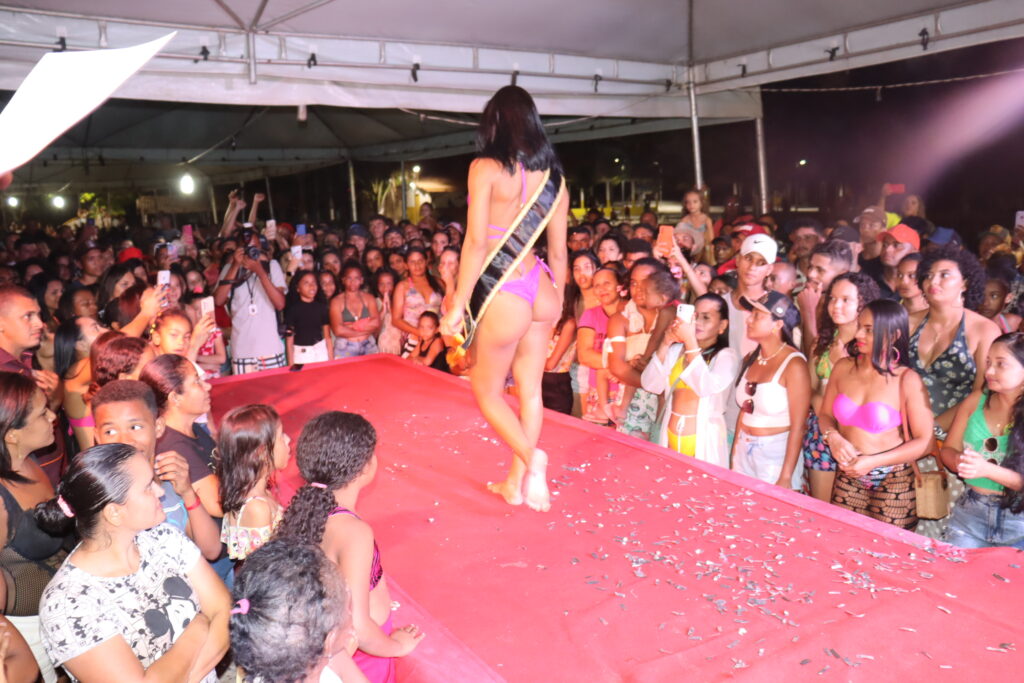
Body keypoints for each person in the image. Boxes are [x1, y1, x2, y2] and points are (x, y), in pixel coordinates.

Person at [440, 86, 568, 512]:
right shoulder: (555, 179)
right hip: (541, 287)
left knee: (489, 392)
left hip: (504, 291)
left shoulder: (485, 168)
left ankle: (532, 460)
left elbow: (477, 243)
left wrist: (457, 304)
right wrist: (559, 305)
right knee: (530, 392)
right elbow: (559, 253)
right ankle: (515, 485)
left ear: (493, 121)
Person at [36, 443, 230, 682]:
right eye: (148, 487)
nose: (160, 491)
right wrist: (198, 626)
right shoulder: (68, 604)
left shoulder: (163, 537)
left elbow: (223, 611)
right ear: (114, 513)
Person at [276, 412, 424, 682]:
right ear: (366, 466)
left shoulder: (306, 513)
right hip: (362, 659)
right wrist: (397, 646)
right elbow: (357, 625)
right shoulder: (353, 532)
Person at [909, 245, 1001, 538]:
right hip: (905, 435)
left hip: (953, 439)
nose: (933, 281)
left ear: (965, 282)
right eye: (928, 275)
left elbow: (982, 393)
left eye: (944, 275)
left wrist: (932, 430)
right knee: (905, 522)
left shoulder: (983, 330)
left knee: (944, 526)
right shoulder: (908, 321)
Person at [818, 300, 933, 529]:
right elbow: (825, 415)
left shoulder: (907, 379)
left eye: (869, 330)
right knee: (843, 540)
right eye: (860, 326)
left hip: (894, 478)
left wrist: (873, 462)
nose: (858, 334)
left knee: (890, 547)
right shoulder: (842, 367)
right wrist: (834, 437)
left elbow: (926, 442)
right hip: (849, 473)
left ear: (894, 335)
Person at [91, 380, 221, 562]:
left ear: (158, 427)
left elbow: (211, 550)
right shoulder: (99, 497)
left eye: (135, 427)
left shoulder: (169, 477)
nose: (124, 440)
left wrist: (188, 492)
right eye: (110, 431)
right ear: (97, 436)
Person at [0, 373, 65, 682]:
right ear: (12, 434)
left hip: (58, 616)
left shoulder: (27, 460)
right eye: (42, 413)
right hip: (28, 633)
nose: (53, 416)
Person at [229, 539, 368, 683]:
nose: (351, 617)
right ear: (328, 641)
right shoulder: (321, 652)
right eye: (348, 609)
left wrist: (333, 648)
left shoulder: (273, 658)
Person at [940, 333, 1024, 548]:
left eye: (1000, 364)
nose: (989, 371)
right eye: (988, 362)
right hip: (970, 514)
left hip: (1019, 521)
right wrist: (959, 461)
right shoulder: (976, 400)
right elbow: (948, 448)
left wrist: (985, 470)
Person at [801, 273, 880, 501]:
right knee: (823, 506)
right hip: (823, 433)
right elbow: (809, 387)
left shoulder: (872, 345)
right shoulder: (822, 342)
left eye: (846, 300)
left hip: (860, 437)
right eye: (832, 299)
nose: (836, 306)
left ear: (864, 302)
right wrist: (821, 404)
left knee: (855, 508)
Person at [642, 293, 738, 465]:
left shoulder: (727, 356)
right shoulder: (676, 351)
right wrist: (665, 343)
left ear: (722, 325)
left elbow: (705, 387)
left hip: (706, 442)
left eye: (706, 318)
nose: (698, 323)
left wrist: (690, 342)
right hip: (669, 437)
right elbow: (650, 384)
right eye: (695, 316)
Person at [732, 292, 809, 490]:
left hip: (775, 455)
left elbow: (799, 425)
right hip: (744, 450)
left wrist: (786, 476)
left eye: (757, 315)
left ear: (778, 324)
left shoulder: (794, 364)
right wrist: (734, 459)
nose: (749, 319)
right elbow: (744, 412)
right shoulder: (751, 358)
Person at [216, 404, 289, 561]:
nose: (288, 440)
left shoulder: (262, 494)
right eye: (281, 436)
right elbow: (266, 566)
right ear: (262, 452)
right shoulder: (257, 508)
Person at [214, 229, 287, 375]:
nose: (251, 251)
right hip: (242, 351)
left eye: (255, 247)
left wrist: (260, 272)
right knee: (246, 391)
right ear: (238, 249)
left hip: (271, 348)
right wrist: (235, 265)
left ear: (261, 247)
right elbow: (218, 300)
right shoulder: (229, 268)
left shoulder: (271, 266)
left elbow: (280, 304)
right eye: (246, 248)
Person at [53, 316, 105, 451]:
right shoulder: (76, 373)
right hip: (98, 461)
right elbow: (114, 350)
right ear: (80, 345)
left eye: (101, 326)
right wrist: (145, 314)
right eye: (96, 328)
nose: (106, 331)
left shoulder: (90, 374)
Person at [797, 240, 853, 353]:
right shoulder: (805, 295)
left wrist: (808, 311)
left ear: (842, 274)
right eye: (810, 267)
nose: (810, 274)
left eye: (820, 270)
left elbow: (814, 356)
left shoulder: (845, 309)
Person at [392, 248, 442, 353]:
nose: (417, 265)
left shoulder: (438, 282)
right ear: (406, 265)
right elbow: (396, 320)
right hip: (414, 335)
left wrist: (435, 333)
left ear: (426, 261)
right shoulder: (403, 286)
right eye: (412, 262)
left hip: (438, 335)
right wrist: (420, 333)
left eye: (420, 261)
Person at [331, 263, 381, 359]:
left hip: (368, 346)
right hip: (345, 348)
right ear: (343, 280)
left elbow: (376, 323)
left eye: (356, 278)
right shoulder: (336, 301)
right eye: (349, 278)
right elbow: (338, 330)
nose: (353, 282)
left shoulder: (369, 298)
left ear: (361, 280)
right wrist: (364, 325)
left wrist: (351, 326)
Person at [285, 270, 333, 365]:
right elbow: (289, 340)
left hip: (320, 351)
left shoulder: (322, 308)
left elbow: (327, 337)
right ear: (298, 288)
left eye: (314, 282)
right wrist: (291, 364)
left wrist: (331, 359)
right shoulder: (293, 310)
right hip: (301, 354)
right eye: (306, 283)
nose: (311, 286)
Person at [372, 269, 402, 356]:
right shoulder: (374, 303)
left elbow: (401, 325)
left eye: (389, 284)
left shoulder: (400, 301)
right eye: (381, 284)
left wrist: (390, 307)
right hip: (382, 349)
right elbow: (374, 334)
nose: (385, 288)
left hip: (399, 348)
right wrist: (383, 309)